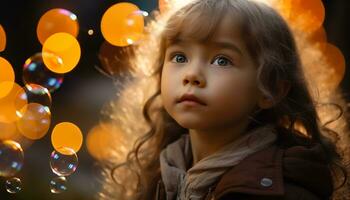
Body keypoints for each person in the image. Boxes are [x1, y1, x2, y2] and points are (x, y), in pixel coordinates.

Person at [98, 0, 348, 199]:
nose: (192, 74)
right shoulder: (161, 172)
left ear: (270, 90)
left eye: (222, 60)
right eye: (179, 57)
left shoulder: (282, 189)